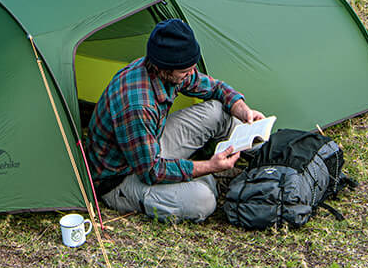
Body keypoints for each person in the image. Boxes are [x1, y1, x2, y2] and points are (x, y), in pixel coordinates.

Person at [86, 18, 264, 222]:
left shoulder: (170, 68)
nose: (190, 74)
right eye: (185, 72)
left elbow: (215, 88)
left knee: (219, 111)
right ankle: (198, 179)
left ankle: (262, 154)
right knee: (203, 200)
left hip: (150, 143)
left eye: (191, 68)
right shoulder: (138, 105)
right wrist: (209, 166)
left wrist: (242, 109)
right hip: (121, 177)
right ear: (164, 69)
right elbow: (151, 172)